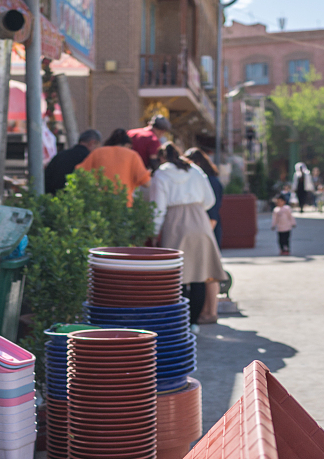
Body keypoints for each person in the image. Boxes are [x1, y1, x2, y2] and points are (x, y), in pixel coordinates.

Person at [151, 142, 228, 325]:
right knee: (199, 274)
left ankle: (180, 323)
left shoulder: (161, 174)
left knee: (177, 276)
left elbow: (158, 207)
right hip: (199, 220)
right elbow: (209, 200)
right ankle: (194, 322)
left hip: (175, 222)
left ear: (162, 157)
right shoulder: (194, 170)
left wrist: (154, 231)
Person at [75, 129, 151, 205]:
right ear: (128, 145)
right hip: (123, 203)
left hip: (99, 202)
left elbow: (79, 172)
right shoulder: (132, 155)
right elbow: (146, 183)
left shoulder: (98, 152)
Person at [184, 147, 223, 248]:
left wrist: (208, 232)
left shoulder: (210, 181)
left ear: (198, 163)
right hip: (202, 226)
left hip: (208, 225)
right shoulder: (205, 179)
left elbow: (213, 210)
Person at [44, 129, 102, 194]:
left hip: (52, 197)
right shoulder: (88, 159)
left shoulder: (60, 155)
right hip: (74, 199)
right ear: (92, 143)